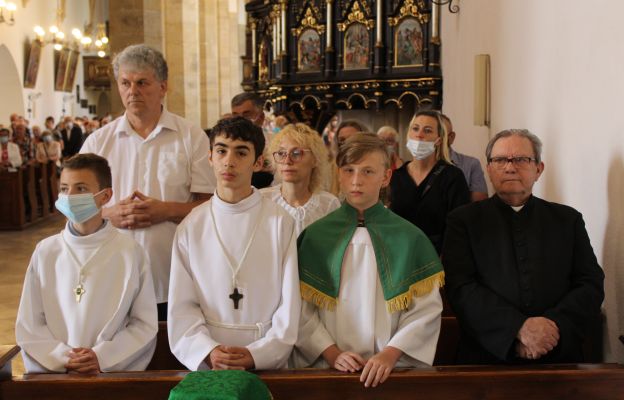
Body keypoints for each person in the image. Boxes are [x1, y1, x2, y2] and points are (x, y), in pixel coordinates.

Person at [294, 133, 444, 388]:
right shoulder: (315, 237)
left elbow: (426, 311)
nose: (356, 181)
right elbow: (300, 310)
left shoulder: (409, 238)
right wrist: (331, 353)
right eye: (349, 170)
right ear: (339, 174)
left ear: (385, 177)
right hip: (329, 369)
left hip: (390, 370)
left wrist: (390, 353)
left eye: (367, 172)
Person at [443, 129, 604, 364]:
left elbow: (590, 283)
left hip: (558, 353)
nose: (510, 167)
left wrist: (551, 329)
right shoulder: (462, 221)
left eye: (521, 159)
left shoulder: (568, 220)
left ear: (539, 169)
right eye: (499, 160)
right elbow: (461, 287)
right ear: (489, 169)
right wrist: (517, 329)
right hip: (485, 354)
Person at [81, 44, 215, 320]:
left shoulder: (190, 137)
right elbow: (76, 207)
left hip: (171, 274)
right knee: (113, 358)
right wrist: (109, 213)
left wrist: (165, 210)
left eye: (142, 83)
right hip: (111, 273)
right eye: (125, 83)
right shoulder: (98, 142)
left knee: (169, 356)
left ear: (163, 86)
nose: (133, 91)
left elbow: (211, 207)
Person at [168, 116, 300, 371]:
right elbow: (181, 305)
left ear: (258, 162)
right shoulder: (192, 225)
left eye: (241, 153)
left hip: (265, 360)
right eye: (221, 151)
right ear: (210, 158)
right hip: (210, 361)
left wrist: (258, 354)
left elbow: (290, 303)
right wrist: (207, 350)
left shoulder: (279, 223)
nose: (229, 161)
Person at [15, 153, 158, 373]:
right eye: (64, 189)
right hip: (55, 375)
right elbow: (29, 322)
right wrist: (61, 357)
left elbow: (144, 324)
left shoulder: (129, 252)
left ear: (105, 196)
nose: (70, 196)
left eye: (80, 189)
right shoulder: (46, 251)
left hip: (108, 374)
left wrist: (101, 357)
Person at [389, 110, 470, 254]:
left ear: (438, 139)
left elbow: (459, 227)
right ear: (408, 134)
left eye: (427, 130)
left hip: (438, 259)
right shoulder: (396, 177)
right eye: (415, 129)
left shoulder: (452, 176)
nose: (419, 135)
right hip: (399, 256)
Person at [261, 123, 340, 236]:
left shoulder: (328, 205)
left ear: (315, 159)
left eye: (296, 153)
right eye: (281, 153)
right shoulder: (263, 200)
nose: (287, 161)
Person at [231, 92, 274, 189]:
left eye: (246, 115)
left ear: (261, 117)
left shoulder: (276, 143)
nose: (240, 121)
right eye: (235, 116)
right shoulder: (225, 146)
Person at [441, 114, 488, 201]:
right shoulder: (411, 168)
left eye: (440, 133)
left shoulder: (470, 165)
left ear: (451, 137)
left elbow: (479, 208)